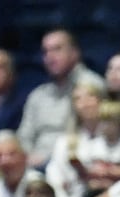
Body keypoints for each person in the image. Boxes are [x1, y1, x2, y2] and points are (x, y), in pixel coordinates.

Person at [18, 31, 104, 169]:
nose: (50, 57)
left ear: (75, 53)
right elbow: (24, 137)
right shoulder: (38, 95)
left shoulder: (92, 87)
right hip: (33, 165)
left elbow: (94, 135)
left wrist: (49, 157)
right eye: (46, 52)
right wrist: (25, 158)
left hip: (76, 162)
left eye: (57, 49)